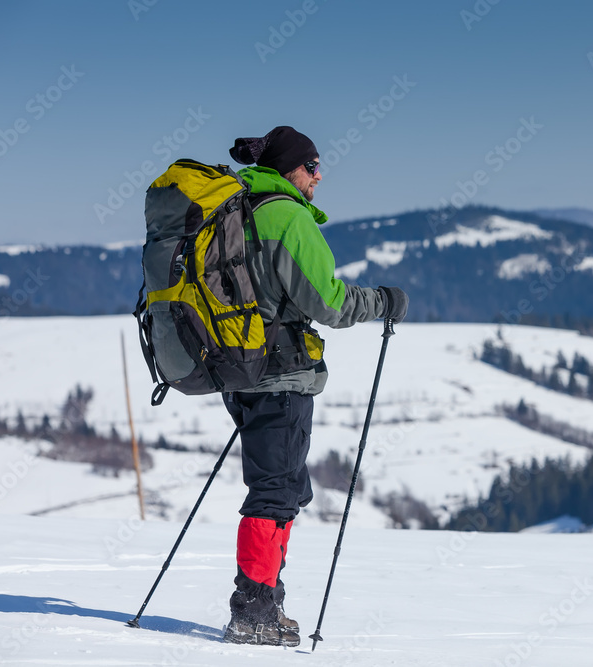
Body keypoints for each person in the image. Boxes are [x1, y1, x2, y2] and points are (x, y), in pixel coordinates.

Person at [221, 126, 408, 647]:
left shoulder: (242, 208)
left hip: (242, 369)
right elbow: (329, 302)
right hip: (279, 374)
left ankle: (266, 599)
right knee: (275, 491)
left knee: (285, 488)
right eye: (312, 166)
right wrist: (383, 302)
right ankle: (253, 607)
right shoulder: (286, 215)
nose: (319, 175)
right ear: (288, 170)